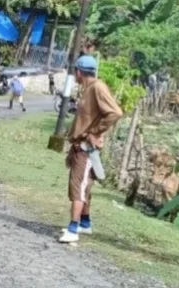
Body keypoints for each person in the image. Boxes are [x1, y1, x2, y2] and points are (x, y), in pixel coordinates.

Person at [59, 55, 123, 244]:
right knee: (84, 185)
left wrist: (94, 132)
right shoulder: (88, 89)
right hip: (79, 146)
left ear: (79, 72)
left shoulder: (97, 88)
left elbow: (115, 113)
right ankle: (85, 223)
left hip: (86, 147)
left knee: (78, 187)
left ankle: (73, 229)